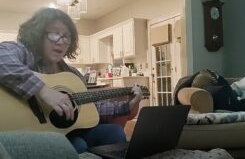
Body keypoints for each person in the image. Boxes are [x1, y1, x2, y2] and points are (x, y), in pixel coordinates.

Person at [0, 8, 143, 153]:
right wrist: (43, 90)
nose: (61, 41)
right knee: (77, 144)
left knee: (114, 132)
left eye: (66, 37)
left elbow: (89, 110)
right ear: (38, 34)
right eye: (55, 34)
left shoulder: (71, 74)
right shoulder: (25, 53)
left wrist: (127, 106)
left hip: (69, 132)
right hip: (30, 133)